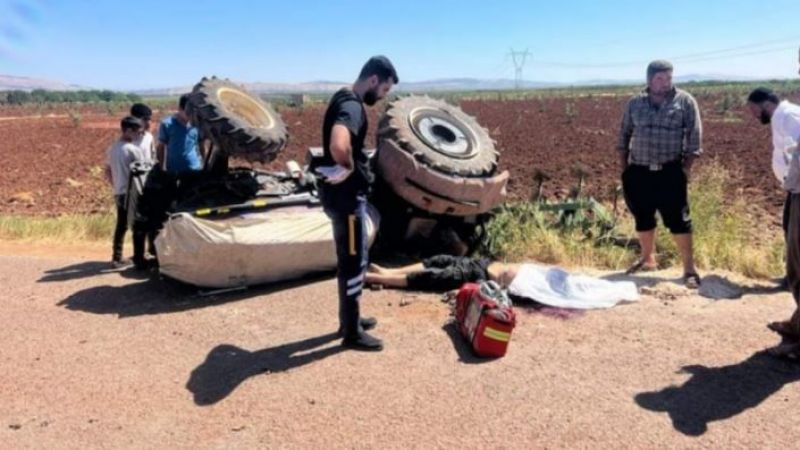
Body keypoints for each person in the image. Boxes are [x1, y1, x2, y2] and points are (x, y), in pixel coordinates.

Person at [313, 55, 398, 351]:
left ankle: (351, 318)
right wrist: (348, 165)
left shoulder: (342, 96)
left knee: (350, 258)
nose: (383, 95)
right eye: (384, 89)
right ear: (373, 80)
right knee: (353, 262)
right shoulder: (352, 106)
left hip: (341, 198)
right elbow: (339, 143)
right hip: (347, 201)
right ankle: (351, 332)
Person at [617, 60, 703, 288]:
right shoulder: (635, 103)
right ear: (649, 79)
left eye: (669, 78)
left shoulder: (685, 101)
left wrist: (685, 169)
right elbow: (624, 135)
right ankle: (647, 260)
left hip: (670, 172)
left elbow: (694, 138)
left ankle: (689, 269)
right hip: (639, 172)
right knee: (643, 217)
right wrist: (624, 169)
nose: (665, 83)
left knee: (679, 221)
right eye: (660, 79)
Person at [365, 256, 638, 309]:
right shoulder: (554, 275)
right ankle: (389, 271)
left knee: (434, 277)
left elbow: (562, 294)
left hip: (482, 276)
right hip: (483, 263)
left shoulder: (549, 289)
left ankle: (377, 278)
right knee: (439, 260)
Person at [746, 87, 800, 289]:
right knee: (790, 231)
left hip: (798, 186)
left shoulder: (790, 116)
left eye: (754, 110)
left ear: (766, 105)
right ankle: (792, 279)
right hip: (793, 187)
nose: (753, 115)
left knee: (796, 237)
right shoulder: (781, 117)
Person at [105, 116, 146, 268]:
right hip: (133, 193)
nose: (139, 135)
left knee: (121, 225)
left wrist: (115, 185)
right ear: (128, 130)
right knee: (138, 225)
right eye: (138, 132)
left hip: (119, 192)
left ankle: (116, 257)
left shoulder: (112, 148)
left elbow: (107, 171)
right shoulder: (133, 150)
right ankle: (139, 259)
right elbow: (143, 172)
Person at [156, 94, 202, 175]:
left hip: (195, 169)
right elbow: (161, 147)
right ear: (180, 109)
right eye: (188, 114)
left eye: (193, 114)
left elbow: (201, 144)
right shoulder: (167, 124)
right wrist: (161, 168)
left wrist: (204, 162)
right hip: (174, 171)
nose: (190, 117)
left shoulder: (196, 124)